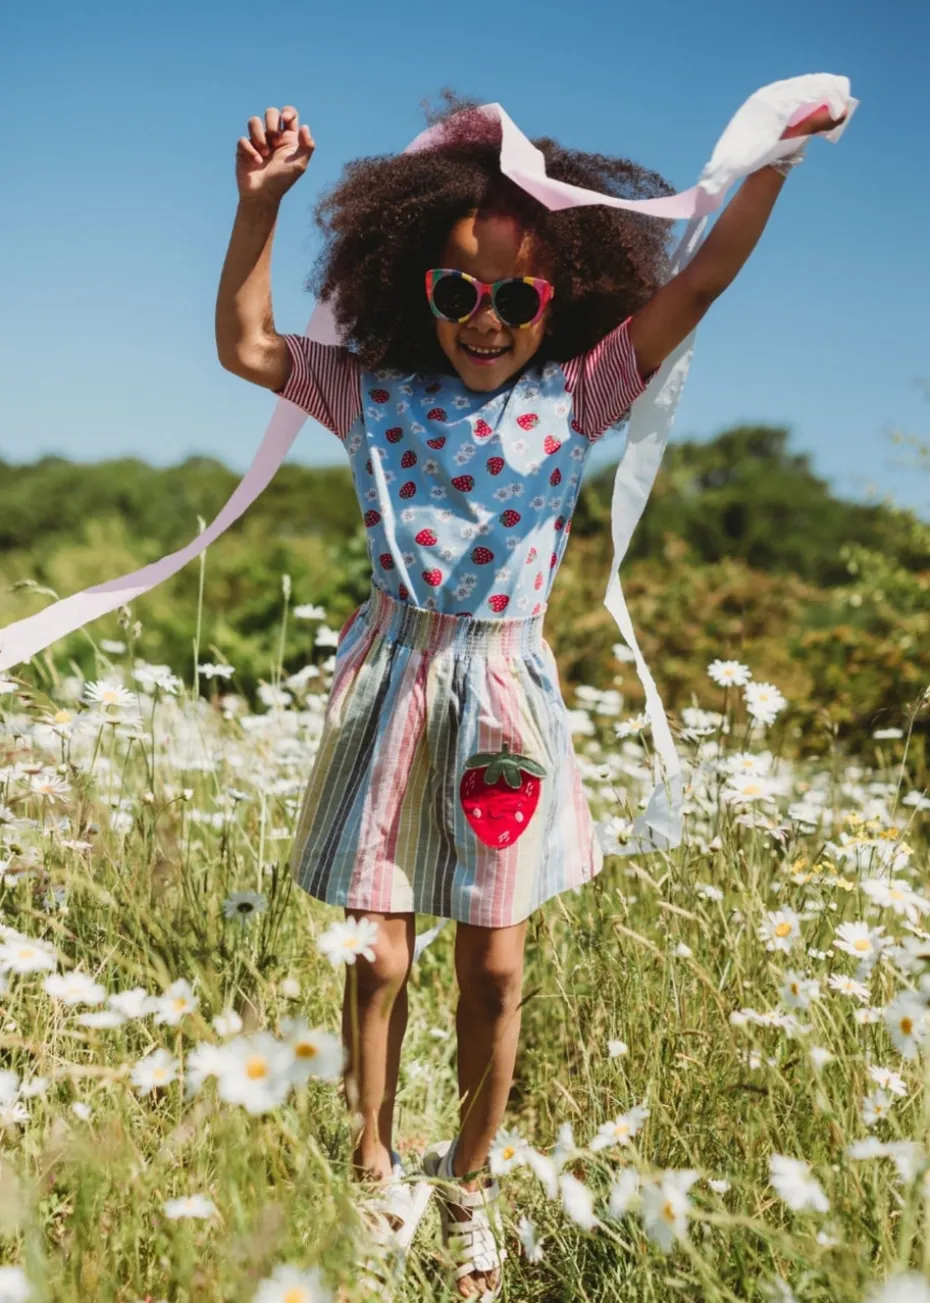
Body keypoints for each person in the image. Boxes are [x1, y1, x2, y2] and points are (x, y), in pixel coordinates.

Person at [215, 94, 845, 1299]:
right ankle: (371, 1169)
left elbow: (702, 280)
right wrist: (259, 208)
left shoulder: (582, 393)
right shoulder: (371, 390)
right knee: (379, 949)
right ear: (414, 287)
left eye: (516, 295)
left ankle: (472, 1179)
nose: (486, 318)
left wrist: (775, 160)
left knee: (495, 964)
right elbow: (246, 346)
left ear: (561, 300)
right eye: (458, 292)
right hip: (394, 676)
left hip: (506, 691)